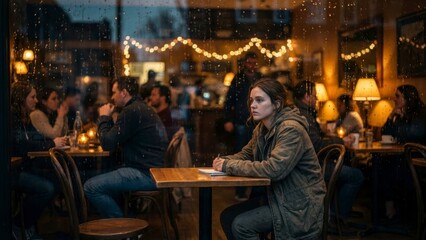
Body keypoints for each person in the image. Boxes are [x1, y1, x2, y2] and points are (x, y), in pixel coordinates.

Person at [213, 79, 325, 239]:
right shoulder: (262, 128)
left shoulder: (291, 130)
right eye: (251, 100)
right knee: (227, 216)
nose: (252, 105)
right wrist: (223, 161)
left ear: (277, 104)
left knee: (241, 225)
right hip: (278, 198)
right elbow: (246, 155)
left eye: (259, 100)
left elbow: (274, 169)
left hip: (299, 205)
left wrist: (228, 165)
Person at [84, 76, 168, 218]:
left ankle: (122, 229)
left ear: (123, 92)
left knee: (91, 187)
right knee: (104, 173)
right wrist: (109, 119)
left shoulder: (132, 111)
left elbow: (108, 144)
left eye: (114, 92)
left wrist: (104, 117)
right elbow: (113, 139)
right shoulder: (140, 108)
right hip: (152, 169)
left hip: (146, 174)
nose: (112, 97)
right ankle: (127, 221)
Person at [293, 80, 364, 230]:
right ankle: (337, 220)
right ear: (307, 97)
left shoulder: (301, 112)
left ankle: (333, 214)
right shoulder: (304, 115)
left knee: (347, 170)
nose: (317, 99)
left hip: (304, 165)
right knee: (356, 175)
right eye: (314, 95)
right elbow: (316, 145)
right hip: (311, 168)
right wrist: (340, 141)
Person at [10, 81, 67, 240]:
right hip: (12, 171)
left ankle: (28, 226)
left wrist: (51, 142)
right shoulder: (12, 117)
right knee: (47, 188)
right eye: (32, 97)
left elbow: (37, 137)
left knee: (55, 181)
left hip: (24, 167)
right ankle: (18, 224)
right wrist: (52, 143)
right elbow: (22, 146)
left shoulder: (25, 118)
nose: (36, 100)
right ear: (22, 98)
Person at [380, 84, 426, 221]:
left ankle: (392, 211)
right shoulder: (401, 114)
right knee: (384, 164)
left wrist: (402, 118)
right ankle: (389, 210)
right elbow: (386, 134)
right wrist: (391, 115)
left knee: (388, 166)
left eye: (398, 96)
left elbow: (412, 135)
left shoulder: (421, 114)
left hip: (419, 161)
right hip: (406, 158)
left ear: (407, 98)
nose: (395, 99)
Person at [223, 51, 261, 201]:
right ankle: (240, 190)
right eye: (250, 63)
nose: (252, 66)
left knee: (259, 155)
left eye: (254, 63)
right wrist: (228, 119)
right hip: (240, 121)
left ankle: (257, 192)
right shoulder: (238, 78)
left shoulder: (260, 78)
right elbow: (229, 101)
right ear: (244, 63)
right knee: (241, 154)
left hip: (258, 122)